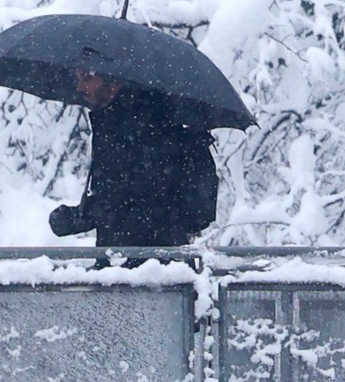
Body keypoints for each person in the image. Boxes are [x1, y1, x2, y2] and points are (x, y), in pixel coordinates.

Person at [45, 66, 218, 249]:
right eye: (79, 78)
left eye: (87, 78)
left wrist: (80, 217)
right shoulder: (138, 120)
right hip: (156, 261)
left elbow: (126, 199)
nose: (79, 87)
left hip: (144, 265)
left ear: (114, 82)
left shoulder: (135, 129)